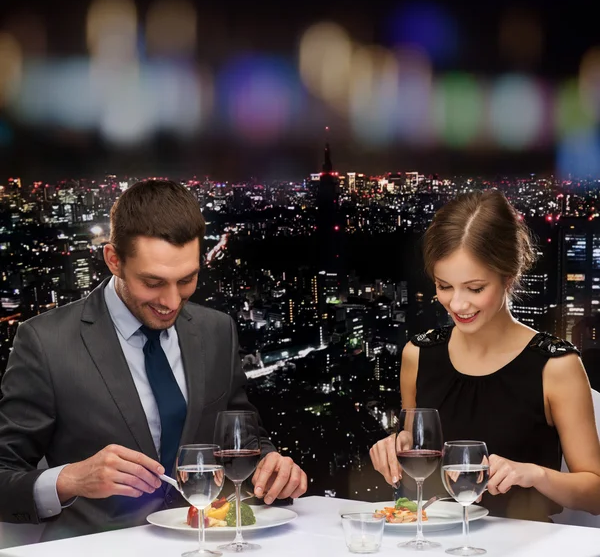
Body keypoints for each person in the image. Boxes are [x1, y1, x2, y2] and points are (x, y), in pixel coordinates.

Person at [0, 180, 307, 540]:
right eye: (152, 282)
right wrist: (71, 479)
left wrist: (271, 466)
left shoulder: (217, 330)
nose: (172, 301)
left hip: (208, 542)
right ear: (113, 260)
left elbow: (241, 435)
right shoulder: (46, 342)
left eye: (187, 279)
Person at [370, 190, 600, 521]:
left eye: (475, 288)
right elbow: (416, 454)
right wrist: (395, 445)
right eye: (444, 286)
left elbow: (595, 495)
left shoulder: (556, 366)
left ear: (509, 277)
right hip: (433, 542)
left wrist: (534, 474)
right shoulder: (417, 355)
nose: (458, 304)